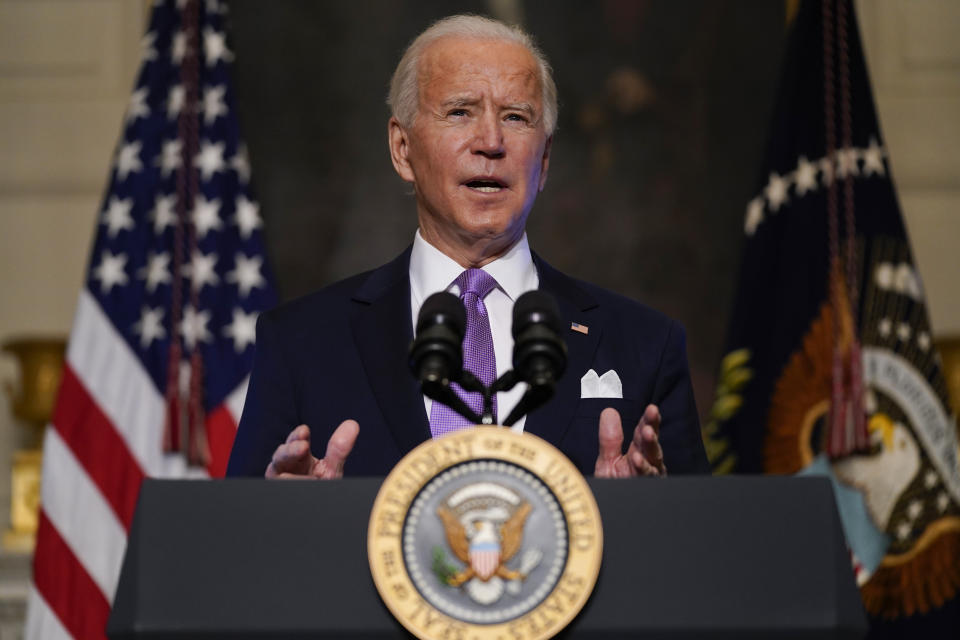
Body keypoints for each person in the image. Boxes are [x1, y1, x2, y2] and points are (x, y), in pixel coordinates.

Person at [226, 14, 710, 480]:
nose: (491, 142)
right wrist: (292, 518)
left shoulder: (645, 346)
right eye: (460, 112)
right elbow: (239, 546)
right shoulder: (300, 343)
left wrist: (641, 513)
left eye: (516, 117)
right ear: (402, 149)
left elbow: (696, 547)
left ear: (542, 162)